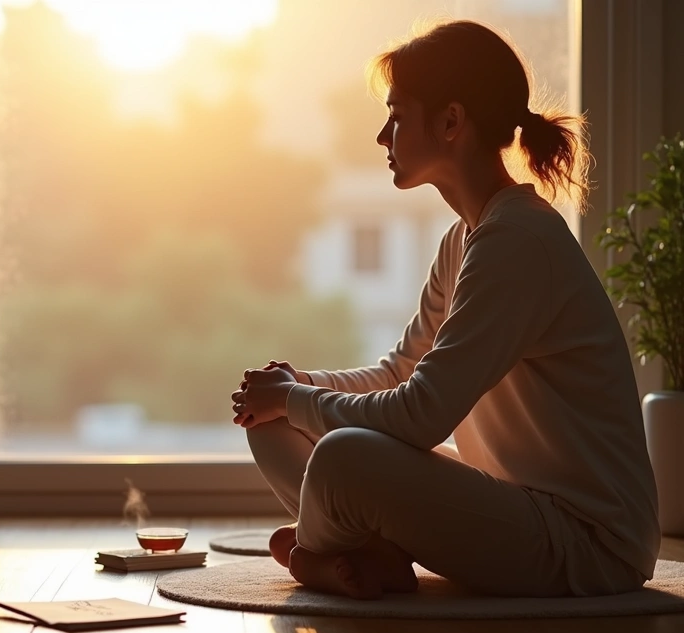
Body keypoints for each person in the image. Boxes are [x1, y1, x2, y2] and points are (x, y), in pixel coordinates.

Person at [229, 19, 659, 600]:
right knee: (273, 426)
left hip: (584, 542)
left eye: (397, 115)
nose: (383, 136)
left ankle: (328, 554)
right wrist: (296, 388)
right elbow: (401, 372)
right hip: (511, 504)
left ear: (451, 122)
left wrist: (297, 398)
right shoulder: (467, 237)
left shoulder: (517, 242)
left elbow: (420, 414)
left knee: (342, 458)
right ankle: (353, 548)